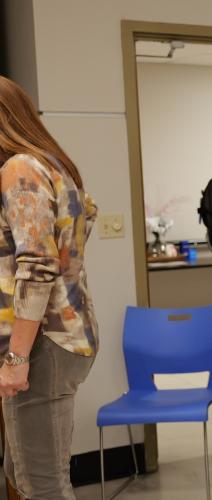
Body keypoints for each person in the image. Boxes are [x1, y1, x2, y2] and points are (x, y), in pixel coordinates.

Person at [0, 75, 99, 500]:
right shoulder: (53, 165)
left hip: (43, 342)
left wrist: (17, 357)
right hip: (62, 335)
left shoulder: (20, 169)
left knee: (42, 485)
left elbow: (38, 264)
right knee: (27, 472)